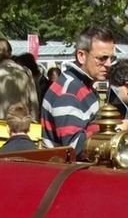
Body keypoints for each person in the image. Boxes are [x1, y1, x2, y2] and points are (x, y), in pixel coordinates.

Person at [41, 26, 115, 158]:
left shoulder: (82, 84)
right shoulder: (67, 93)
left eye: (111, 58)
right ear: (81, 56)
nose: (108, 64)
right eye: (102, 58)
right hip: (70, 174)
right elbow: (75, 148)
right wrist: (114, 132)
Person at [0, 38, 38, 120]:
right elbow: (34, 103)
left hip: (3, 125)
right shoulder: (26, 72)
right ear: (10, 52)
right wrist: (34, 121)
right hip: (24, 124)